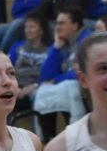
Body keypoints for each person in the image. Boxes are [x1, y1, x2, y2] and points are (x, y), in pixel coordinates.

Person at [33, 8, 89, 142]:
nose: (57, 27)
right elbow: (44, 76)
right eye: (56, 23)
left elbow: (82, 72)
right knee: (42, 91)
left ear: (75, 25)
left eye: (62, 23)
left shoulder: (88, 41)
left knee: (70, 87)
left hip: (88, 91)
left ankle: (76, 138)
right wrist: (56, 48)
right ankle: (47, 140)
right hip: (72, 91)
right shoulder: (64, 44)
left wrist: (56, 79)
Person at [7, 9, 52, 116]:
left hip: (37, 88)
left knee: (39, 95)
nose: (27, 30)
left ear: (41, 30)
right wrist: (14, 87)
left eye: (31, 27)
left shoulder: (51, 51)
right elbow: (7, 69)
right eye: (26, 27)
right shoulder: (17, 46)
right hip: (15, 87)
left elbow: (51, 76)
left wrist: (33, 87)